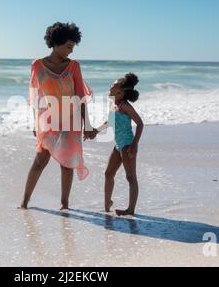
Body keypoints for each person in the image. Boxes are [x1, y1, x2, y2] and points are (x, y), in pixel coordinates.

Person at [20, 22, 94, 210]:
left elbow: (80, 97)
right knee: (40, 161)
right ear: (57, 43)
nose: (71, 50)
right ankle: (25, 202)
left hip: (71, 120)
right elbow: (35, 97)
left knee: (67, 164)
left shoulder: (74, 66)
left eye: (73, 47)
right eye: (69, 46)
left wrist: (88, 124)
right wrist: (35, 123)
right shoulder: (37, 65)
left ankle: (65, 204)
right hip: (48, 121)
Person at [86, 73, 144, 216]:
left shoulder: (125, 106)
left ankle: (131, 209)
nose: (110, 87)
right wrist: (95, 132)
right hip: (118, 145)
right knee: (108, 174)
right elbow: (109, 122)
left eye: (113, 85)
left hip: (127, 144)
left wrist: (134, 144)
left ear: (120, 91)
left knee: (131, 177)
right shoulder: (115, 105)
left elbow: (140, 123)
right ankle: (107, 204)